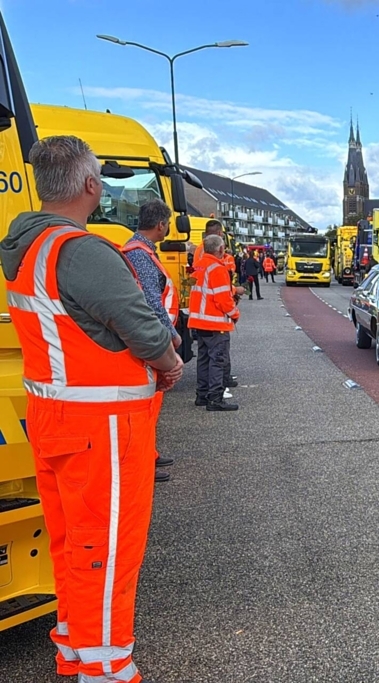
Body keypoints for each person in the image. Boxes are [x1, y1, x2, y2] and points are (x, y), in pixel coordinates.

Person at [1, 135, 183, 683]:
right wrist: (170, 362)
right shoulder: (80, 251)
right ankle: (105, 668)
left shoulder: (25, 247)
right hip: (102, 426)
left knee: (70, 543)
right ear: (88, 184)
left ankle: (76, 646)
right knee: (108, 548)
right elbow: (142, 327)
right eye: (99, 176)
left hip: (56, 416)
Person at [122, 199, 180, 484]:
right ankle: (143, 460)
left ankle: (150, 454)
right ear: (160, 225)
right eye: (167, 224)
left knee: (151, 405)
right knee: (144, 408)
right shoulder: (141, 255)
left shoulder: (139, 251)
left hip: (149, 337)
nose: (167, 228)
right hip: (151, 340)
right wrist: (171, 336)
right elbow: (151, 303)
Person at [189, 234, 240, 411]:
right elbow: (223, 300)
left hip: (199, 322)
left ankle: (202, 395)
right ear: (220, 249)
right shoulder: (217, 268)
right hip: (215, 323)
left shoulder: (199, 266)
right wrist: (235, 314)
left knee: (203, 360)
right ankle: (215, 399)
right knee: (217, 360)